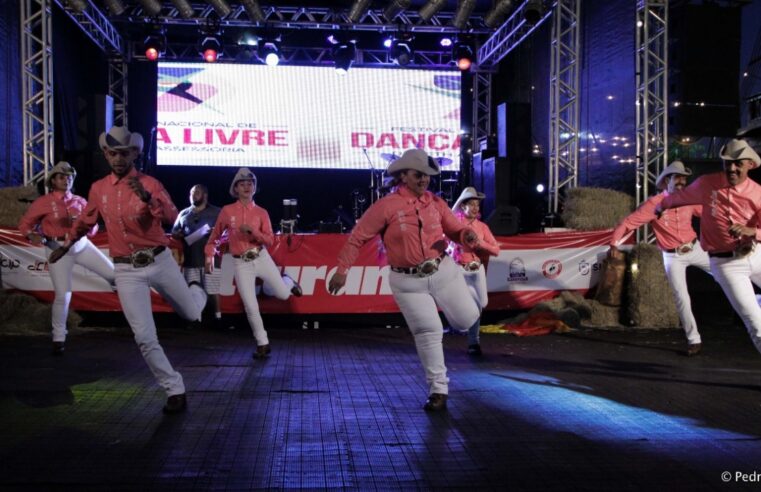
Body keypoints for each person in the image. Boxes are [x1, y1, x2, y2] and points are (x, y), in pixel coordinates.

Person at [49, 126, 207, 415]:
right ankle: (174, 388)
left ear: (135, 153)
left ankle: (196, 291)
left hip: (159, 260)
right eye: (112, 153)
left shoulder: (151, 183)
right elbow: (85, 220)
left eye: (124, 153)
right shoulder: (98, 189)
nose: (118, 159)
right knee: (145, 337)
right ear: (106, 154)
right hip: (126, 269)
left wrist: (149, 199)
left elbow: (173, 219)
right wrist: (67, 242)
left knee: (192, 314)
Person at [328, 149, 481, 412]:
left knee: (467, 320)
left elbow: (455, 230)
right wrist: (342, 270)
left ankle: (472, 300)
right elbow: (357, 238)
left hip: (442, 271)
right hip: (408, 283)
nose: (424, 180)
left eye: (427, 176)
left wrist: (466, 234)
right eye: (418, 175)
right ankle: (438, 390)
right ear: (403, 176)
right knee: (428, 333)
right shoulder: (386, 207)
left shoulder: (436, 203)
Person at [656, 139, 761, 357]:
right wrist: (660, 205)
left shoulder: (757, 192)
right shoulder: (707, 184)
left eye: (738, 163)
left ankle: (755, 299)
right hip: (727, 263)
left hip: (756, 253)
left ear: (750, 164)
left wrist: (754, 232)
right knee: (755, 323)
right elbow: (679, 198)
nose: (731, 168)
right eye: (727, 163)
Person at [610, 161, 712, 356]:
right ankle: (694, 340)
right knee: (681, 297)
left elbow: (709, 212)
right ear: (667, 181)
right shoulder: (653, 204)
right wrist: (613, 244)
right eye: (678, 178)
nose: (682, 181)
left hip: (694, 247)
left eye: (684, 178)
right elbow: (628, 223)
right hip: (672, 256)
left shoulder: (689, 199)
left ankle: (754, 301)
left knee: (726, 272)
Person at [18, 161, 115, 355]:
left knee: (114, 275)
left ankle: (138, 316)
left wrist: (90, 224)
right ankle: (58, 338)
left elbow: (94, 229)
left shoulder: (79, 200)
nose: (67, 180)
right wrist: (32, 235)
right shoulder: (43, 202)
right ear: (52, 181)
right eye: (62, 177)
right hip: (57, 247)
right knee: (63, 294)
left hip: (81, 244)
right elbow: (25, 224)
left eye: (69, 177)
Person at [204, 168, 302, 360]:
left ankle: (288, 282)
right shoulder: (227, 211)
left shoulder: (261, 212)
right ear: (236, 188)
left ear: (255, 187)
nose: (247, 187)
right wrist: (209, 256)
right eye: (242, 184)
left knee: (282, 294)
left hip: (261, 257)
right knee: (250, 305)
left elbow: (270, 240)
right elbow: (213, 239)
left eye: (250, 183)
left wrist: (253, 232)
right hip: (240, 263)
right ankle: (262, 343)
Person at [450, 186, 501, 356]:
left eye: (477, 205)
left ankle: (465, 328)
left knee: (482, 304)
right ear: (463, 206)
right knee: (473, 306)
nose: (475, 208)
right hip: (460, 270)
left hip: (476, 270)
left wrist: (480, 243)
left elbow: (496, 250)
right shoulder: (454, 225)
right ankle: (474, 342)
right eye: (471, 204)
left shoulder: (482, 227)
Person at [172, 184, 224, 328]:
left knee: (213, 290)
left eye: (197, 193)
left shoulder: (217, 212)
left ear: (205, 195)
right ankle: (196, 319)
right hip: (191, 259)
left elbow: (227, 231)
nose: (193, 196)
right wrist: (178, 235)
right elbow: (174, 232)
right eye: (191, 193)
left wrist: (216, 234)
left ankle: (218, 319)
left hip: (211, 259)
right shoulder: (183, 214)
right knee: (193, 290)